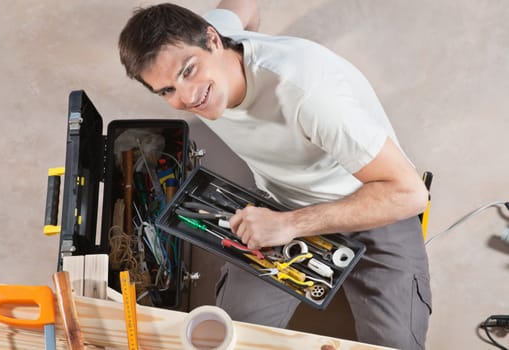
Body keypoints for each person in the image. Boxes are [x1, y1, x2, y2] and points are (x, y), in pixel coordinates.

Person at [118, 1, 432, 349]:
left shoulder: (309, 95)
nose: (188, 97)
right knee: (229, 338)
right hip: (280, 204)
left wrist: (291, 226)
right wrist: (281, 221)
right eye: (167, 91)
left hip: (374, 203)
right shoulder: (212, 35)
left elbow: (410, 194)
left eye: (189, 71)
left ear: (213, 40)